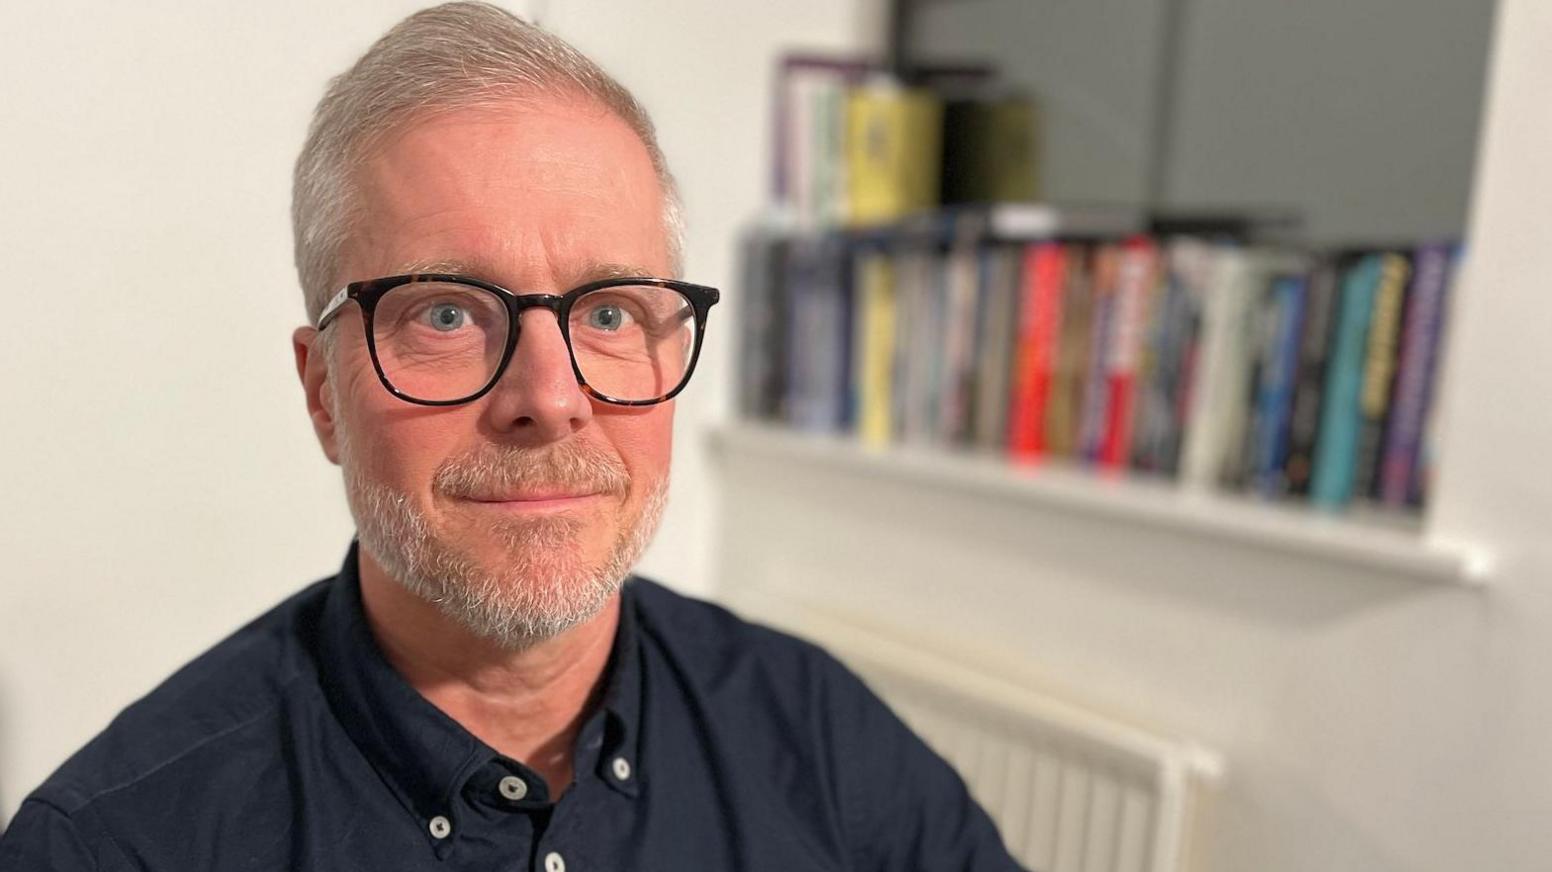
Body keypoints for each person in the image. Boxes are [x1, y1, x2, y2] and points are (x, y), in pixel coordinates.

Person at [0, 4, 1023, 869]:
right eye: (444, 312)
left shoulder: (816, 736)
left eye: (611, 311)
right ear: (323, 394)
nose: (551, 394)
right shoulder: (116, 843)